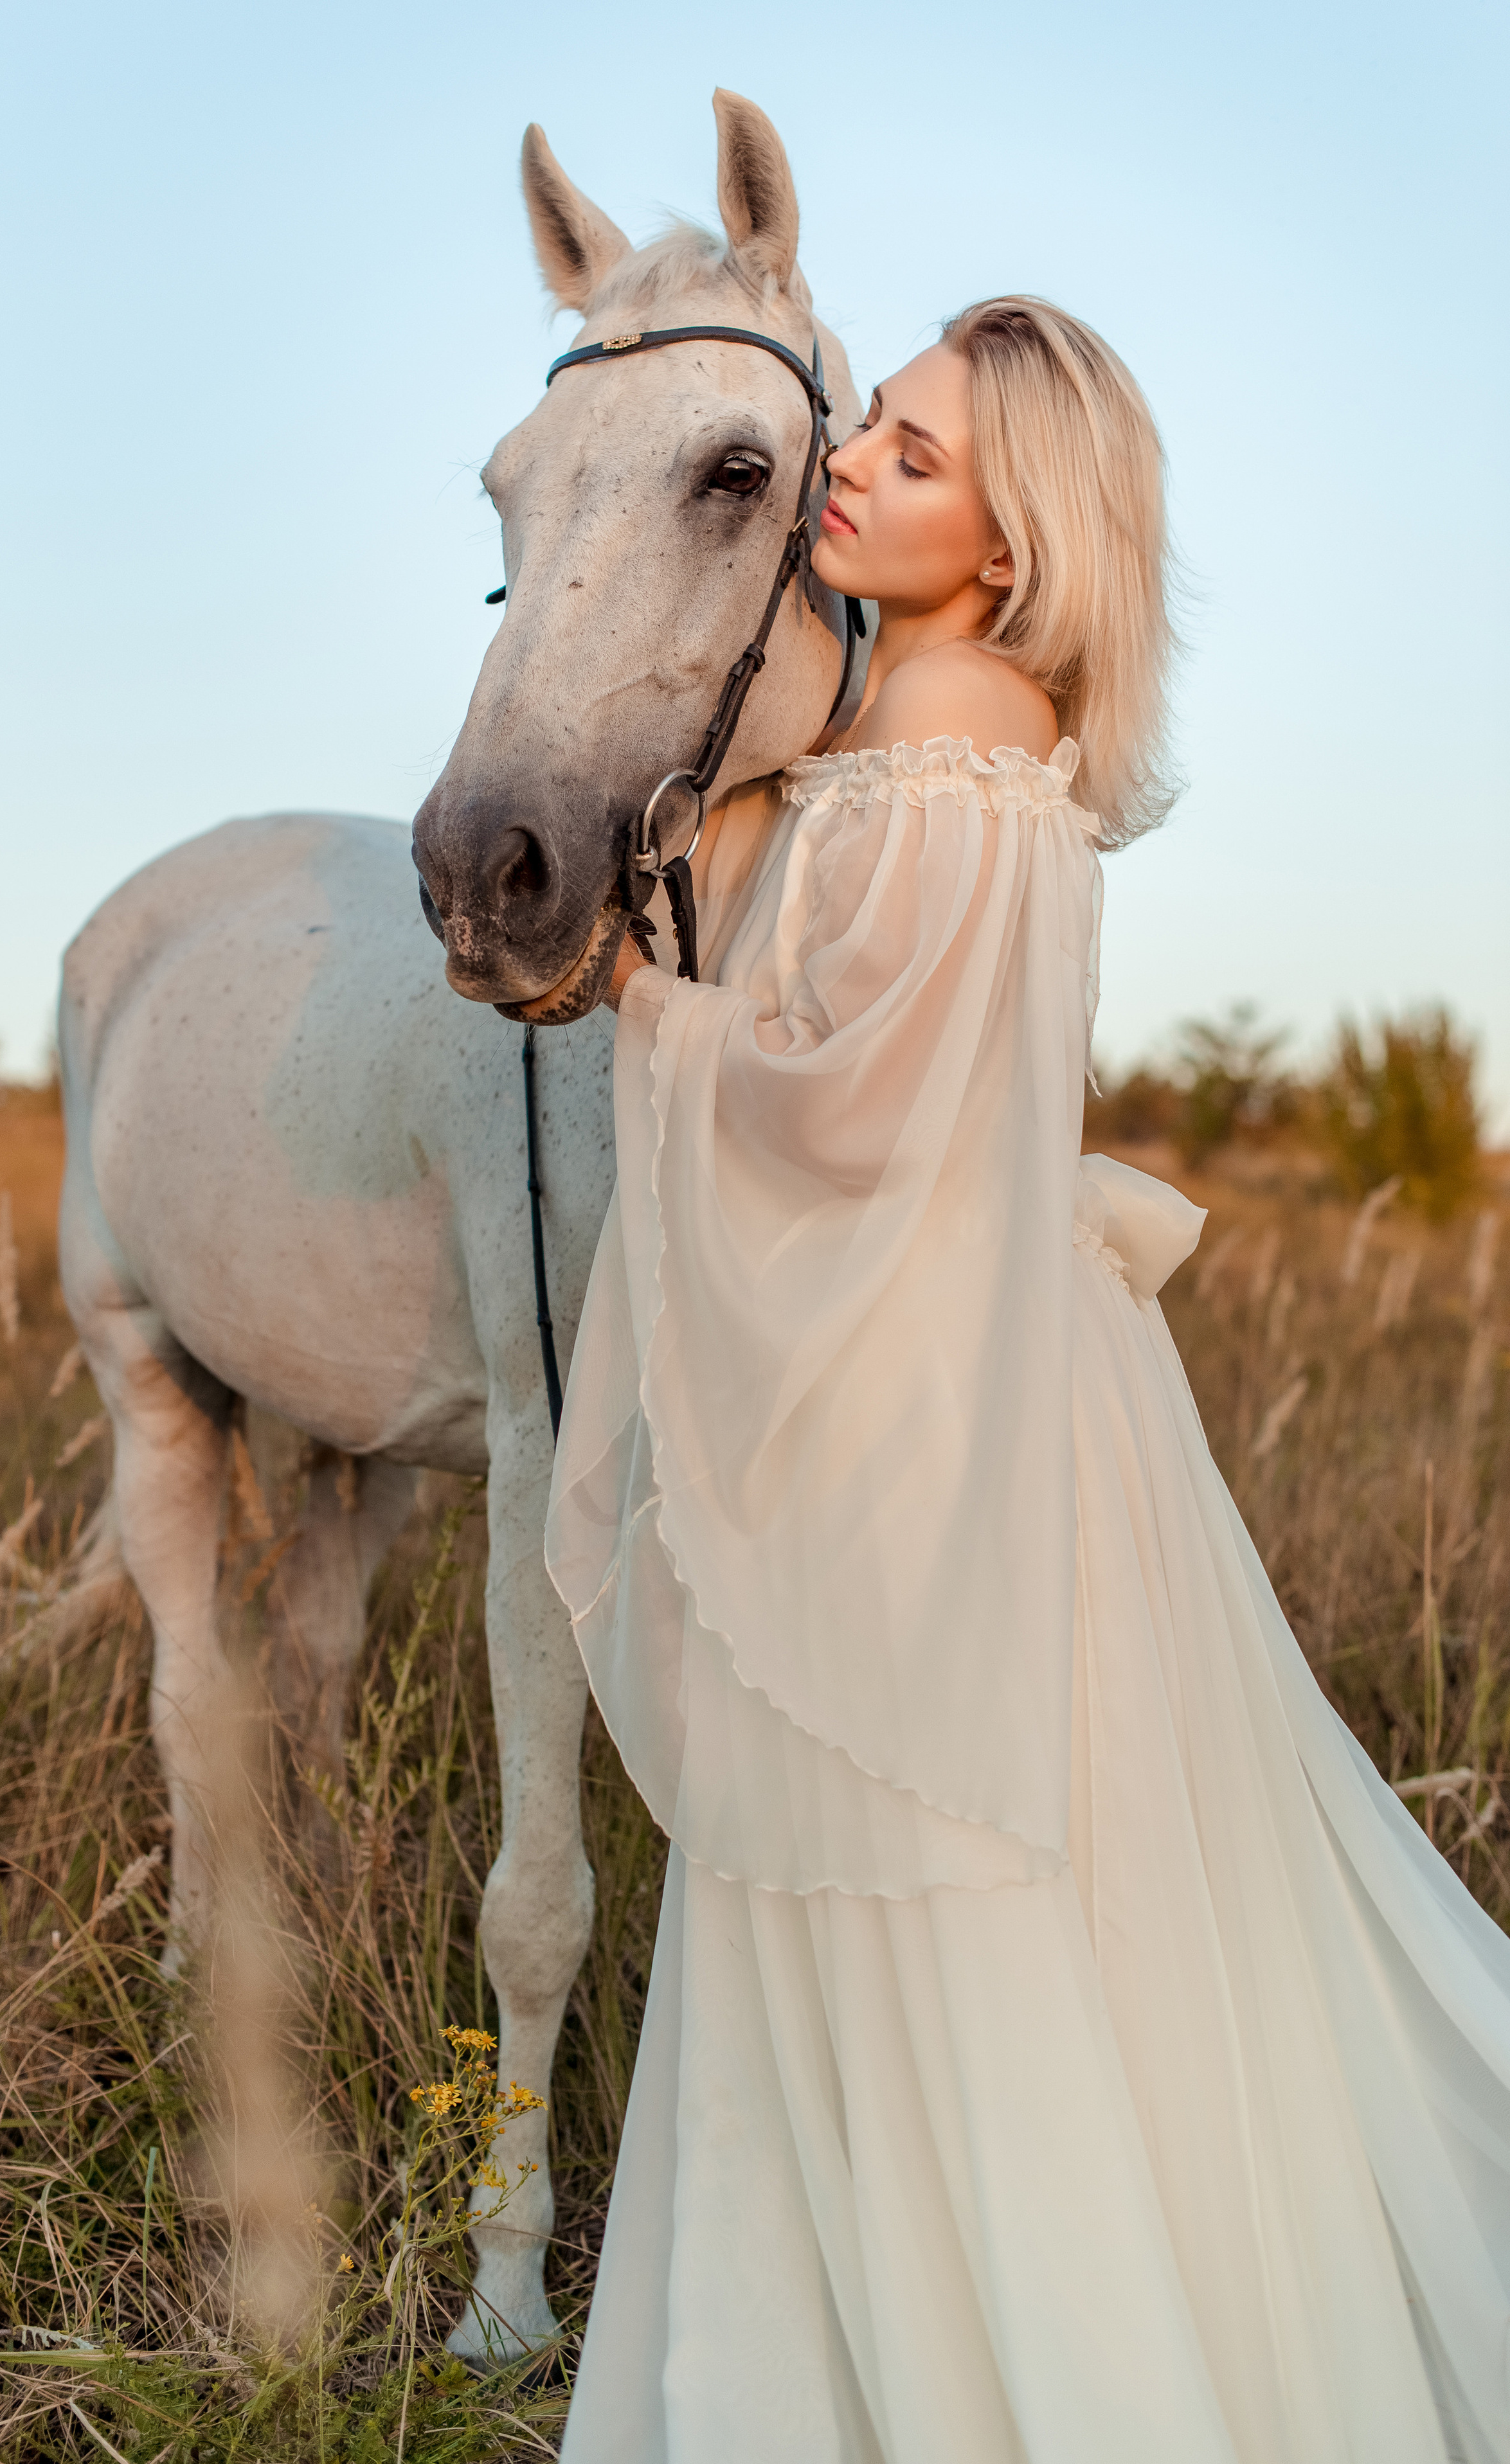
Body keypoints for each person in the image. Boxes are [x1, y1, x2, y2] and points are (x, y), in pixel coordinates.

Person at [544, 297, 1510, 2463]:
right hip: (982, 1367)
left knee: (902, 1830)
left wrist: (651, 1017)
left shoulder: (959, 718)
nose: (854, 471)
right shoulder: (931, 717)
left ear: (1013, 539)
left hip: (929, 1397)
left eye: (909, 454)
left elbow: (859, 1113)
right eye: (865, 429)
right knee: (1032, 1889)